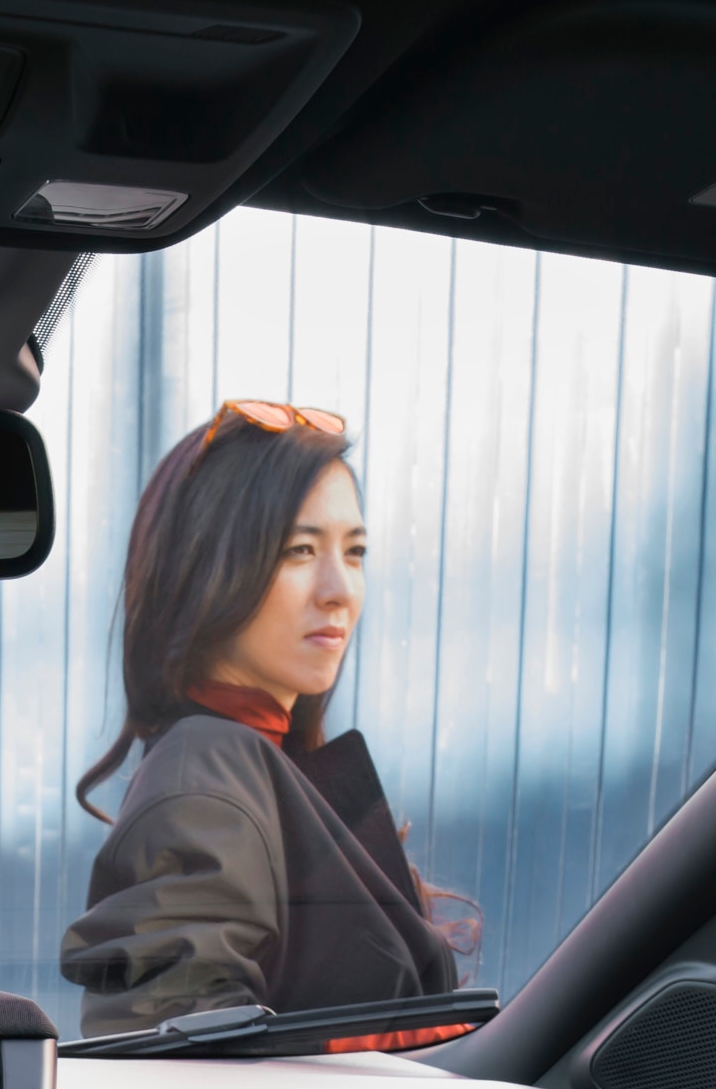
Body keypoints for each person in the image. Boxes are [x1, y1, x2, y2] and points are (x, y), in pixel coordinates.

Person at [57, 400, 470, 1036]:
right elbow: (178, 1063)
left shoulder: (256, 769)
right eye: (299, 550)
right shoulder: (206, 781)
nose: (339, 589)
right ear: (208, 569)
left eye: (355, 552)